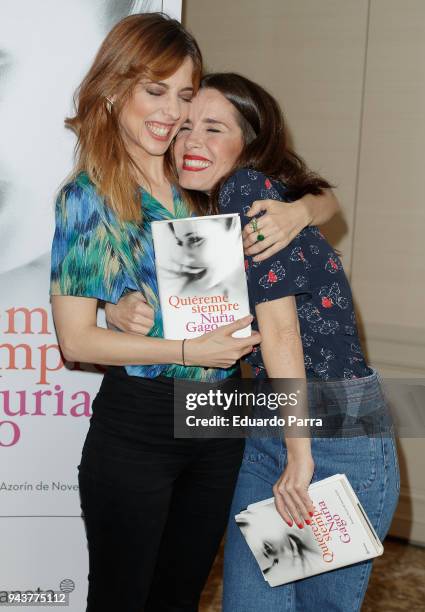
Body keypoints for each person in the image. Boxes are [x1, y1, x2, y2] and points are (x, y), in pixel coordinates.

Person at [50, 14, 338, 611]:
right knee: (123, 599)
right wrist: (177, 347)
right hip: (141, 425)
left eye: (184, 94)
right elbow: (76, 341)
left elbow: (313, 188)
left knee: (179, 597)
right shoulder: (89, 196)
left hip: (222, 418)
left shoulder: (200, 176)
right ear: (113, 88)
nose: (174, 113)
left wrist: (302, 211)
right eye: (155, 91)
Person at [109, 72, 400, 611]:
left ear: (250, 143)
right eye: (185, 127)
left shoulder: (248, 191)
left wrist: (300, 455)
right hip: (273, 427)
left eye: (214, 128)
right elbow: (201, 325)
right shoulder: (215, 206)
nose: (192, 141)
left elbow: (282, 330)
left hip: (327, 440)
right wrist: (118, 307)